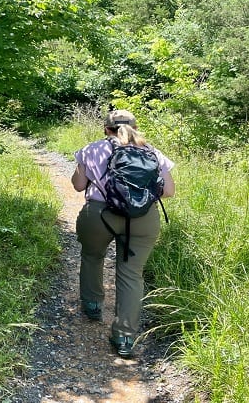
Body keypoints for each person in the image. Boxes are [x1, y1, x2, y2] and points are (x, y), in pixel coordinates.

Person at [70, 109, 175, 358]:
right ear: (136, 127)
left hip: (99, 214)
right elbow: (169, 191)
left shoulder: (91, 149)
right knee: (131, 274)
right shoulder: (151, 151)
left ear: (106, 129)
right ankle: (125, 336)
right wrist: (135, 199)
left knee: (92, 256)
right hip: (143, 218)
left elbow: (78, 186)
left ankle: (93, 305)